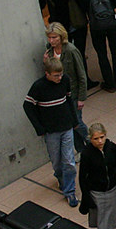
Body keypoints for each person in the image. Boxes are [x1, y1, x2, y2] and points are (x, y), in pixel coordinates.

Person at [23, 58, 80, 207]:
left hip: (66, 126)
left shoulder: (65, 80)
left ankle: (70, 191)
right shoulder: (38, 87)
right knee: (56, 161)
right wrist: (39, 128)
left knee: (69, 160)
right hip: (51, 131)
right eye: (56, 75)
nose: (59, 78)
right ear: (47, 74)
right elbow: (28, 106)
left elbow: (69, 100)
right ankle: (61, 178)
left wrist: (74, 121)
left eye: (61, 74)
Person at [78, 123, 116, 229]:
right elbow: (82, 177)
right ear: (90, 139)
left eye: (102, 137)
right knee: (104, 226)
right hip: (97, 193)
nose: (100, 141)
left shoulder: (111, 148)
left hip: (112, 190)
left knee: (109, 223)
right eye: (96, 139)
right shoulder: (87, 153)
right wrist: (87, 197)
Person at [44, 23, 88, 153]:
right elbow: (49, 73)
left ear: (61, 36)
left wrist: (81, 97)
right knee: (70, 125)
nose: (51, 41)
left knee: (77, 122)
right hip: (60, 95)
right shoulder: (49, 51)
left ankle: (92, 142)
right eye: (50, 37)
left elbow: (81, 75)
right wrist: (45, 61)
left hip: (73, 93)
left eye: (54, 37)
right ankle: (81, 149)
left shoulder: (71, 50)